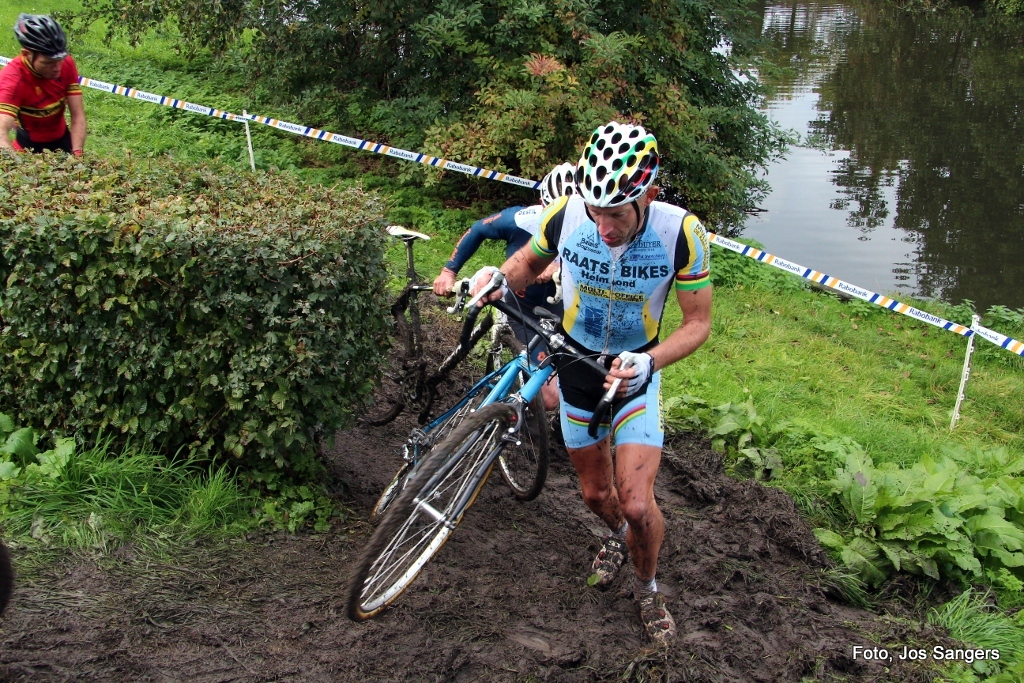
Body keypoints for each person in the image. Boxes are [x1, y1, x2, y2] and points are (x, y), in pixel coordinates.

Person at [470, 121, 712, 643]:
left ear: (649, 195)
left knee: (637, 503)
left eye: (617, 214)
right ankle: (621, 539)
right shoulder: (565, 214)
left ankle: (647, 589)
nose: (603, 227)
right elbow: (526, 262)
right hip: (575, 366)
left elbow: (698, 324)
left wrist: (650, 363)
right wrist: (498, 277)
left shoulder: (681, 233)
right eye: (596, 211)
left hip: (634, 372)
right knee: (596, 495)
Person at [433, 162, 578, 410]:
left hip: (565, 314)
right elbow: (477, 229)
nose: (559, 223)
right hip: (522, 309)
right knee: (550, 398)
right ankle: (506, 412)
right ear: (541, 204)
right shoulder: (521, 219)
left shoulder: (596, 229)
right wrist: (449, 271)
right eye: (552, 213)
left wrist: (559, 268)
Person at [0, 14, 86, 156]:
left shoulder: (65, 63)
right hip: (28, 147)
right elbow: (1, 132)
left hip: (62, 140)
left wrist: (77, 155)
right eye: (48, 63)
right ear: (27, 54)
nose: (57, 68)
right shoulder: (13, 79)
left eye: (59, 60)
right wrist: (15, 165)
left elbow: (78, 114)